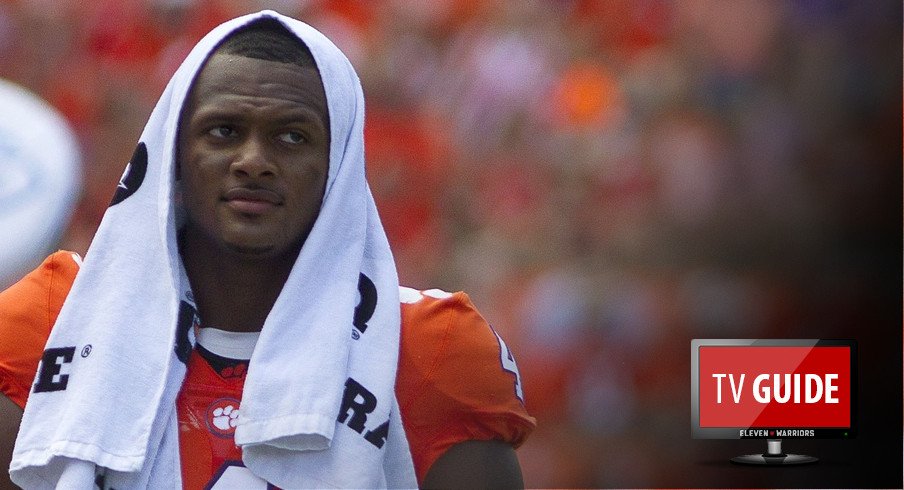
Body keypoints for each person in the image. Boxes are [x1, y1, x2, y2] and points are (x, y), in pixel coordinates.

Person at [0, 11, 534, 489]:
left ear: (340, 165)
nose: (253, 160)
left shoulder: (434, 353)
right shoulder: (49, 320)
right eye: (224, 130)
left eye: (293, 137)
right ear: (172, 155)